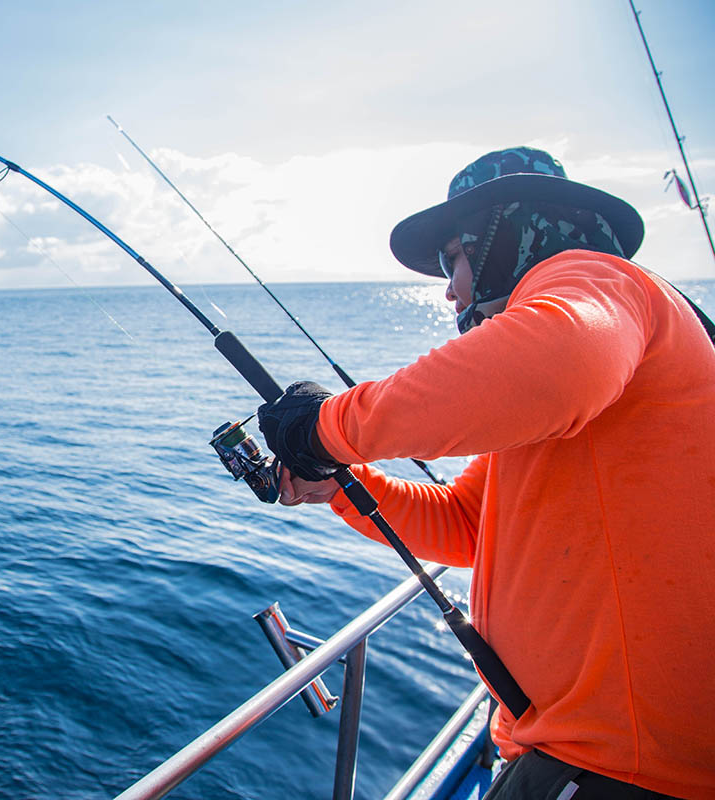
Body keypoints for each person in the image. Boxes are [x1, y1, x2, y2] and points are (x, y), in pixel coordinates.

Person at [257, 147, 715, 800]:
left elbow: (550, 367)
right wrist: (342, 484)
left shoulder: (596, 280)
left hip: (625, 767)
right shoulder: (568, 380)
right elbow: (470, 525)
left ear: (506, 240)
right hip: (574, 748)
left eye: (454, 260)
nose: (448, 288)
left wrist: (325, 427)